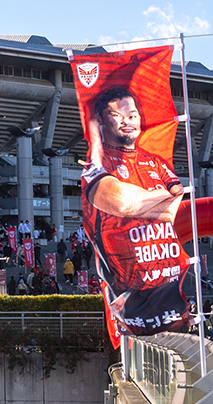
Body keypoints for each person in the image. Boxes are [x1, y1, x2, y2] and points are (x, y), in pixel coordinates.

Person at [79, 87, 194, 335]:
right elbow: (121, 202)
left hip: (170, 292)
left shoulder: (155, 162)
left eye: (131, 115)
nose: (127, 122)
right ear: (100, 120)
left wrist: (148, 203)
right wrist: (160, 202)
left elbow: (179, 200)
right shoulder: (95, 166)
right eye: (117, 116)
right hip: (130, 303)